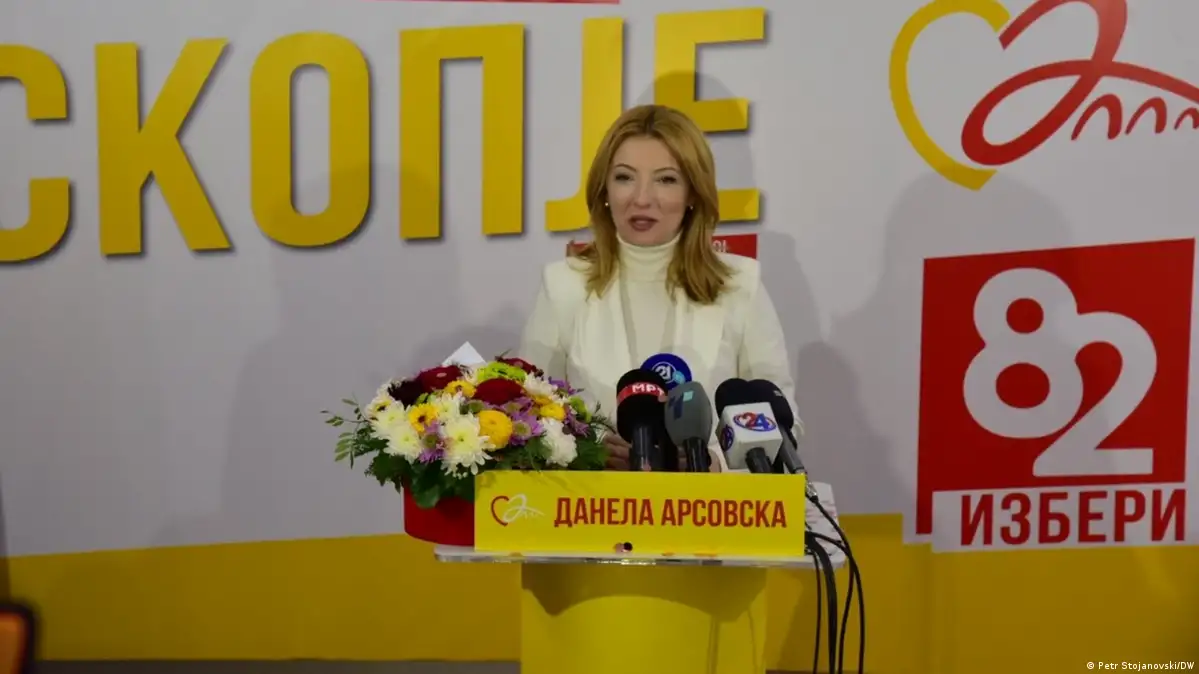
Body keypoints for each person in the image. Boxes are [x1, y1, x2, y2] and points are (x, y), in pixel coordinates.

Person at [518, 104, 799, 470]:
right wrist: (591, 453)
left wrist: (712, 463)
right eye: (624, 177)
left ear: (693, 193)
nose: (642, 198)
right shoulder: (562, 285)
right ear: (604, 188)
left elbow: (784, 423)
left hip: (712, 503)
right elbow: (527, 419)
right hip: (598, 503)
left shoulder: (740, 284)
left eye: (666, 180)